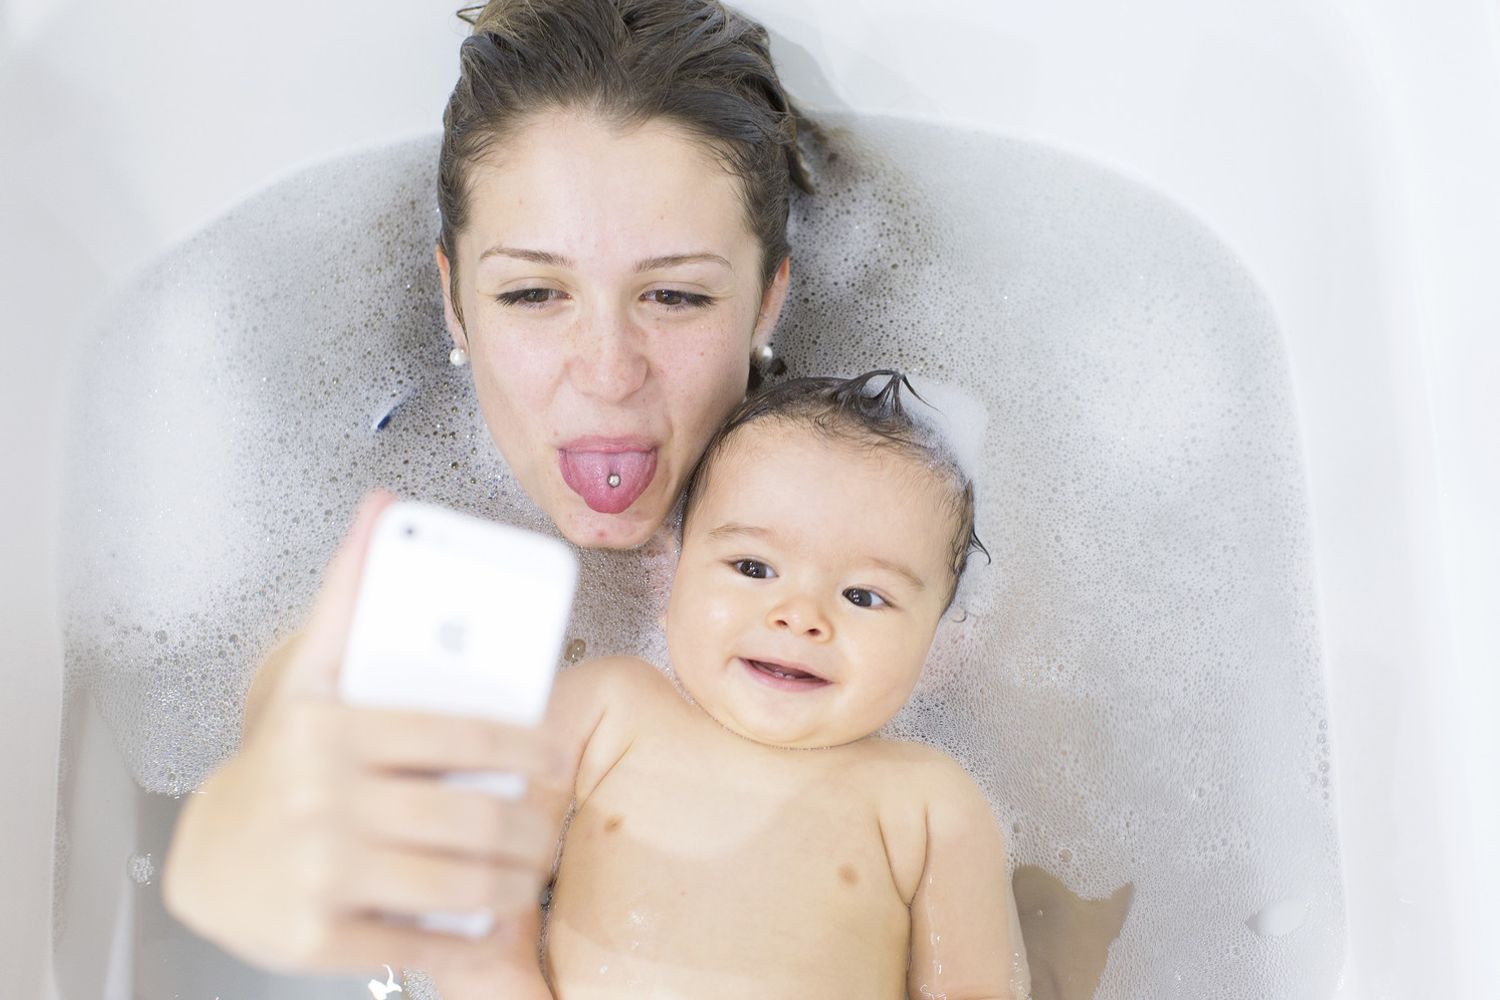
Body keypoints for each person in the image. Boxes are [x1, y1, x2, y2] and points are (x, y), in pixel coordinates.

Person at [162, 0, 817, 981]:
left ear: (768, 297)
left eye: (676, 294)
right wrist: (230, 849)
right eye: (530, 293)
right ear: (453, 299)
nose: (606, 370)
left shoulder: (880, 505)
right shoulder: (372, 531)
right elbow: (297, 728)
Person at [441, 371, 1030, 998]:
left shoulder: (931, 803)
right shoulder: (609, 707)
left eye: (864, 595)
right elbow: (469, 876)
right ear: (667, 578)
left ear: (938, 644)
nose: (800, 615)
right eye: (753, 567)